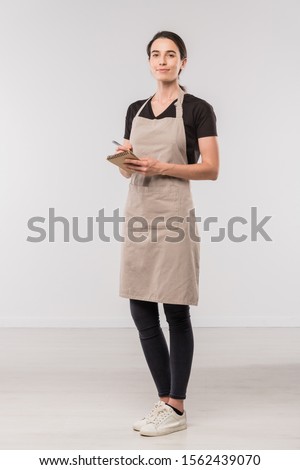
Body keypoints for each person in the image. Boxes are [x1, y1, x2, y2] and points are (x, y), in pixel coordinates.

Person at [116, 31, 219, 437]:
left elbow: (211, 168)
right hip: (139, 212)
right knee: (140, 308)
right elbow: (131, 165)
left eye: (170, 54)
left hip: (175, 214)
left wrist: (163, 168)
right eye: (156, 54)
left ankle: (177, 405)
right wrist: (125, 162)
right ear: (149, 62)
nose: (163, 60)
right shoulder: (134, 109)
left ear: (183, 62)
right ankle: (165, 401)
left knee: (175, 307)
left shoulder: (197, 109)